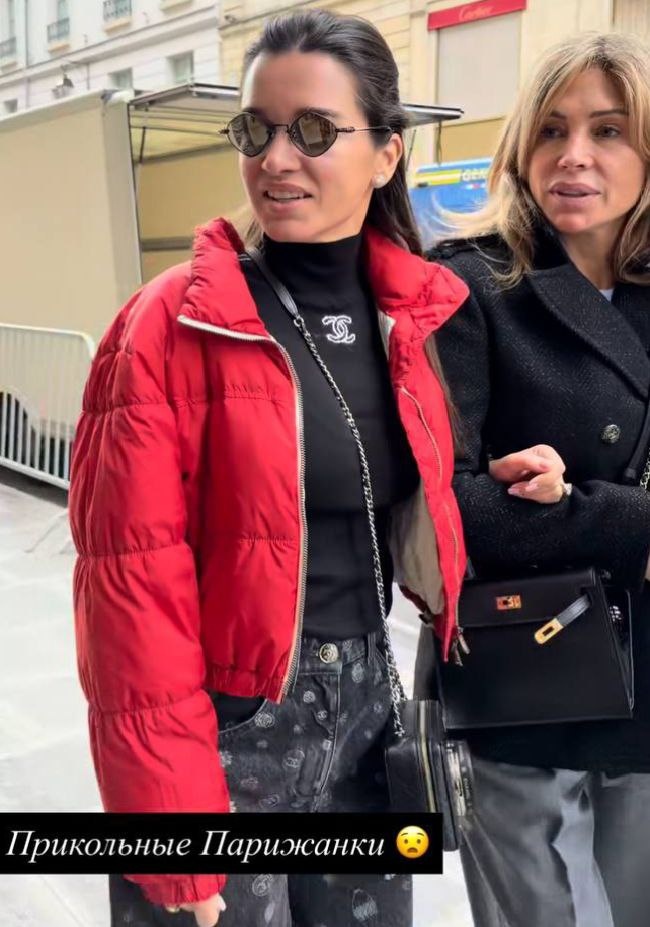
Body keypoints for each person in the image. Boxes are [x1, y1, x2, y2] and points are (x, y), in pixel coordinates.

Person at [68, 9, 470, 927]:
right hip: (228, 723)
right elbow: (129, 596)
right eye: (256, 130)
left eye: (315, 131)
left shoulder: (415, 317)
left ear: (387, 153)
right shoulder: (168, 326)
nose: (277, 159)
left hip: (367, 705)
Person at [415, 31, 650, 927]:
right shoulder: (471, 285)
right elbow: (445, 506)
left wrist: (571, 503)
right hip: (525, 677)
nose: (574, 154)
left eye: (609, 130)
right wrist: (629, 523)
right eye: (552, 129)